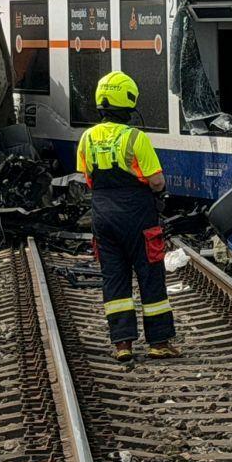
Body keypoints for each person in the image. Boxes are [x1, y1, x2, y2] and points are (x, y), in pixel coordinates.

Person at [76, 71, 179, 362]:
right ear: (130, 102)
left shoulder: (87, 138)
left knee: (115, 278)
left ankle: (122, 344)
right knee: (150, 276)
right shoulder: (136, 138)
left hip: (103, 214)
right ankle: (159, 342)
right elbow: (156, 180)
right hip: (137, 215)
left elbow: (88, 178)